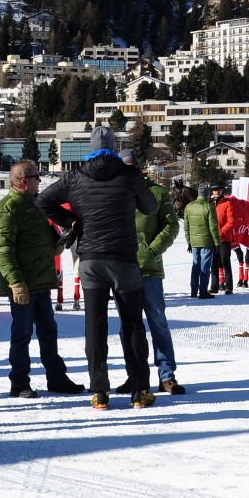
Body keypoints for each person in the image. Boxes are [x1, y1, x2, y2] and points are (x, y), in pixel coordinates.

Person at [36, 124, 159, 410]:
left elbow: (43, 201)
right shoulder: (129, 174)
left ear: (90, 149)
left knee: (95, 326)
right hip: (123, 258)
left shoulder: (75, 177)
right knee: (132, 325)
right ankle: (139, 390)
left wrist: (70, 222)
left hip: (90, 258)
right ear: (115, 146)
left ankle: (99, 392)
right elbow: (151, 207)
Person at [0, 159, 85, 398]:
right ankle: (19, 382)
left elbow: (41, 238)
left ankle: (56, 378)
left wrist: (57, 244)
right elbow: (2, 249)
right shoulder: (7, 208)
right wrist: (15, 282)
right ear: (24, 182)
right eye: (35, 178)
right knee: (21, 334)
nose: (39, 181)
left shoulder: (34, 205)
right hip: (24, 284)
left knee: (48, 331)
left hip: (41, 282)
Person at [129, 158, 184, 394]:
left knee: (158, 323)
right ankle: (134, 376)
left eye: (132, 165)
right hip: (122, 270)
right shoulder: (114, 191)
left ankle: (167, 376)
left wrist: (153, 250)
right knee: (127, 328)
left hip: (149, 269)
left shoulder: (157, 193)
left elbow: (171, 225)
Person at [182, 186, 220, 299]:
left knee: (195, 266)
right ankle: (203, 292)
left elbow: (186, 226)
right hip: (207, 242)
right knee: (205, 267)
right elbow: (213, 227)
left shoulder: (189, 207)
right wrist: (217, 242)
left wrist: (189, 241)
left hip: (194, 242)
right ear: (207, 194)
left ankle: (194, 291)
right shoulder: (209, 206)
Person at [208, 184, 234, 294]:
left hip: (224, 239)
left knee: (225, 262)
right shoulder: (208, 203)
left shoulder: (227, 203)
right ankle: (214, 286)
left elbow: (231, 221)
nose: (216, 192)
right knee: (213, 263)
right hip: (211, 239)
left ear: (221, 190)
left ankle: (229, 287)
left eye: (218, 190)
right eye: (214, 190)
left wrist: (220, 232)